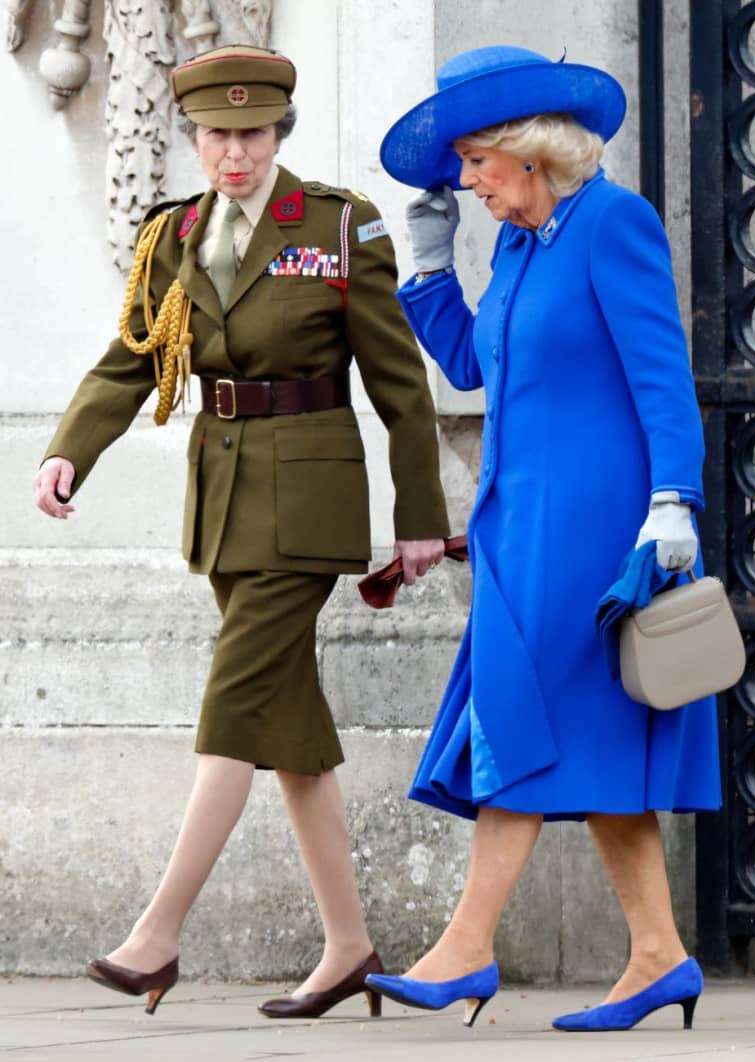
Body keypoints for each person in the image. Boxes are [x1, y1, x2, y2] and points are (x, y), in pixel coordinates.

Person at [33, 44, 449, 1019]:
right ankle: (347, 946)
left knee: (233, 702)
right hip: (222, 498)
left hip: (307, 504)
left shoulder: (340, 230)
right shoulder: (174, 235)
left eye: (250, 134)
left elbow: (398, 390)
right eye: (216, 136)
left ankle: (157, 935)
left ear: (278, 134)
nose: (233, 154)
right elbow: (127, 359)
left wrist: (420, 519)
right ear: (193, 138)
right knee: (290, 729)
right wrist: (69, 451)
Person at [365, 45, 720, 1032]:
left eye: (474, 162)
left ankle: (463, 950)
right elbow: (476, 367)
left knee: (517, 721)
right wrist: (430, 266)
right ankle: (656, 955)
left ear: (529, 154)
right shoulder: (523, 246)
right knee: (583, 734)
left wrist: (672, 502)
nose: (464, 181)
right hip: (519, 527)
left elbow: (661, 376)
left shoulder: (612, 224)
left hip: (596, 530)